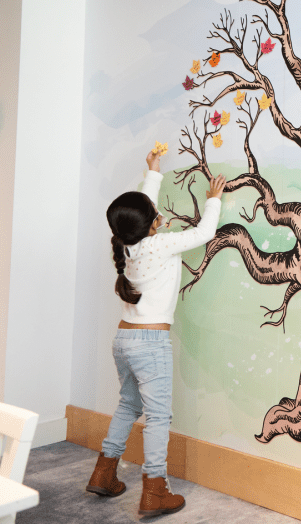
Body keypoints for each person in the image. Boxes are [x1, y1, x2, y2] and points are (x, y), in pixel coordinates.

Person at [85, 149, 225, 517]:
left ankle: (104, 472)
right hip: (150, 343)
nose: (159, 217)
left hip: (124, 340)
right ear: (150, 224)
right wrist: (213, 200)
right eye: (155, 216)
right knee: (158, 417)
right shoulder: (162, 244)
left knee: (129, 405)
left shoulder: (125, 245)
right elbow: (205, 232)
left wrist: (154, 172)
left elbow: (141, 211)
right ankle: (155, 489)